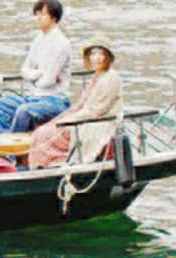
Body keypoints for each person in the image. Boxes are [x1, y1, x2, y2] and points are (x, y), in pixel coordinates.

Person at [28, 35, 125, 169]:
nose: (96, 58)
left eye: (101, 54)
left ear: (107, 57)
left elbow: (97, 111)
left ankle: (53, 163)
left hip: (99, 122)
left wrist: (70, 120)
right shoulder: (96, 77)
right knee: (42, 131)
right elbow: (80, 105)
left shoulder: (111, 78)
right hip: (86, 116)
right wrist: (61, 119)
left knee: (47, 134)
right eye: (93, 54)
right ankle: (42, 166)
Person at [0, 0, 73, 133]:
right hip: (33, 97)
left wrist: (35, 77)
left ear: (54, 17)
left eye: (42, 14)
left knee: (23, 111)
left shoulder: (61, 43)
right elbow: (24, 70)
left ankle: (12, 150)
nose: (38, 18)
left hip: (55, 100)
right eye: (37, 14)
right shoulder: (39, 39)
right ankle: (4, 141)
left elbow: (47, 82)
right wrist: (38, 74)